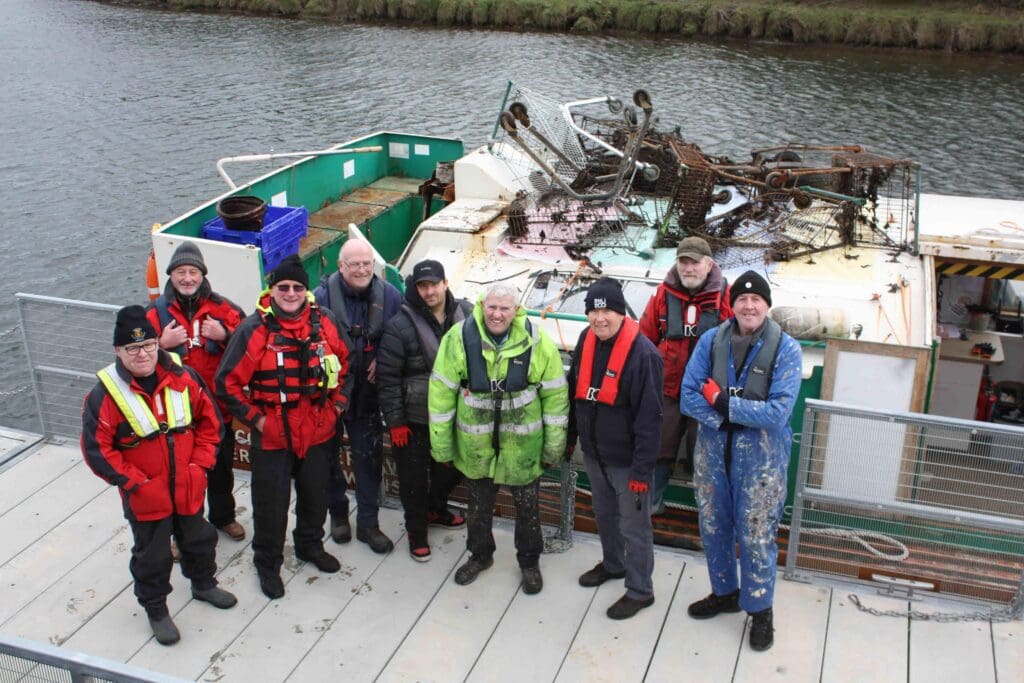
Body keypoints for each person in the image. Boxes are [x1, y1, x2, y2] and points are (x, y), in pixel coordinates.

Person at [81, 305, 237, 646]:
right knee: (152, 556)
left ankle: (204, 584)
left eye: (149, 345)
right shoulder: (104, 396)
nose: (143, 354)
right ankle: (156, 609)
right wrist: (136, 483)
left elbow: (210, 424)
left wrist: (199, 466)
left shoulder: (185, 377)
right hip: (145, 495)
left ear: (157, 344)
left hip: (188, 485)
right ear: (118, 351)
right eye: (133, 348)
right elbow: (97, 450)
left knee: (199, 540)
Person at [679, 270, 802, 652]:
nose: (749, 306)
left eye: (756, 300)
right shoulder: (710, 342)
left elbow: (778, 413)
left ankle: (760, 609)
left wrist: (722, 404)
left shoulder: (787, 350)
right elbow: (687, 396)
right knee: (713, 526)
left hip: (761, 461)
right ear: (732, 305)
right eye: (742, 299)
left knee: (757, 534)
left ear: (767, 305)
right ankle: (725, 592)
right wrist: (728, 417)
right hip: (713, 454)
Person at [216, 255, 350, 600]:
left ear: (306, 291)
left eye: (297, 287)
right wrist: (258, 420)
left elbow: (347, 366)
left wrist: (337, 407)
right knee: (270, 506)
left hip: (319, 428)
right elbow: (226, 384)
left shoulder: (325, 322)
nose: (291, 293)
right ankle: (267, 563)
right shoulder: (253, 330)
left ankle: (309, 545)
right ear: (272, 290)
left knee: (315, 497)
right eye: (284, 287)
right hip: (274, 434)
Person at [429, 284, 568, 594]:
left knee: (528, 509)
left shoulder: (537, 340)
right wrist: (442, 446)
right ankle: (480, 556)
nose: (497, 314)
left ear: (516, 310)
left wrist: (553, 448)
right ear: (482, 306)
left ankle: (529, 562)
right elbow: (440, 395)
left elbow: (556, 396)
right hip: (476, 448)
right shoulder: (458, 338)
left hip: (523, 449)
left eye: (505, 308)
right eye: (492, 307)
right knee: (478, 508)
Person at [567, 277, 663, 620]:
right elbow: (574, 392)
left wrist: (642, 471)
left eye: (607, 310)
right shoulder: (586, 339)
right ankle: (613, 564)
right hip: (595, 454)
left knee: (635, 528)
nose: (600, 318)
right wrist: (570, 440)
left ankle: (640, 590)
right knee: (604, 515)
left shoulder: (644, 355)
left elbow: (651, 420)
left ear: (621, 313)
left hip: (628, 464)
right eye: (593, 311)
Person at [146, 241, 246, 542]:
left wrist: (225, 334)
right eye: (181, 272)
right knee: (180, 478)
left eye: (193, 272)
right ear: (170, 275)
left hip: (216, 411)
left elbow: (250, 346)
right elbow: (133, 357)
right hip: (175, 417)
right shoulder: (153, 315)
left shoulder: (224, 309)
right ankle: (181, 532)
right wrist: (160, 345)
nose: (187, 278)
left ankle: (224, 517)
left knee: (221, 470)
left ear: (202, 275)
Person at [377, 260, 471, 561]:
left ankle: (436, 509)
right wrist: (396, 422)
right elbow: (388, 378)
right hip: (415, 419)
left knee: (455, 468)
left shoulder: (467, 315)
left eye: (434, 284)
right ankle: (416, 532)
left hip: (456, 415)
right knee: (413, 480)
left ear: (445, 283)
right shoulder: (399, 326)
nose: (429, 291)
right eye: (422, 286)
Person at [314, 238, 402, 554]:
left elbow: (400, 333)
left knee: (368, 458)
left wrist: (384, 358)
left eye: (367, 264)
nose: (362, 270)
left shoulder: (390, 296)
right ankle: (338, 513)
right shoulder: (321, 298)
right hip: (331, 395)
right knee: (328, 458)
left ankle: (368, 523)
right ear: (341, 267)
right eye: (355, 264)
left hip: (368, 395)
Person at [638, 236, 731, 514]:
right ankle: (650, 506)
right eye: (683, 262)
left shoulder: (727, 296)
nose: (688, 268)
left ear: (709, 264)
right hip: (667, 388)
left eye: (695, 263)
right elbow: (645, 338)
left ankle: (709, 514)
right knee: (659, 447)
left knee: (704, 454)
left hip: (707, 394)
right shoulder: (662, 295)